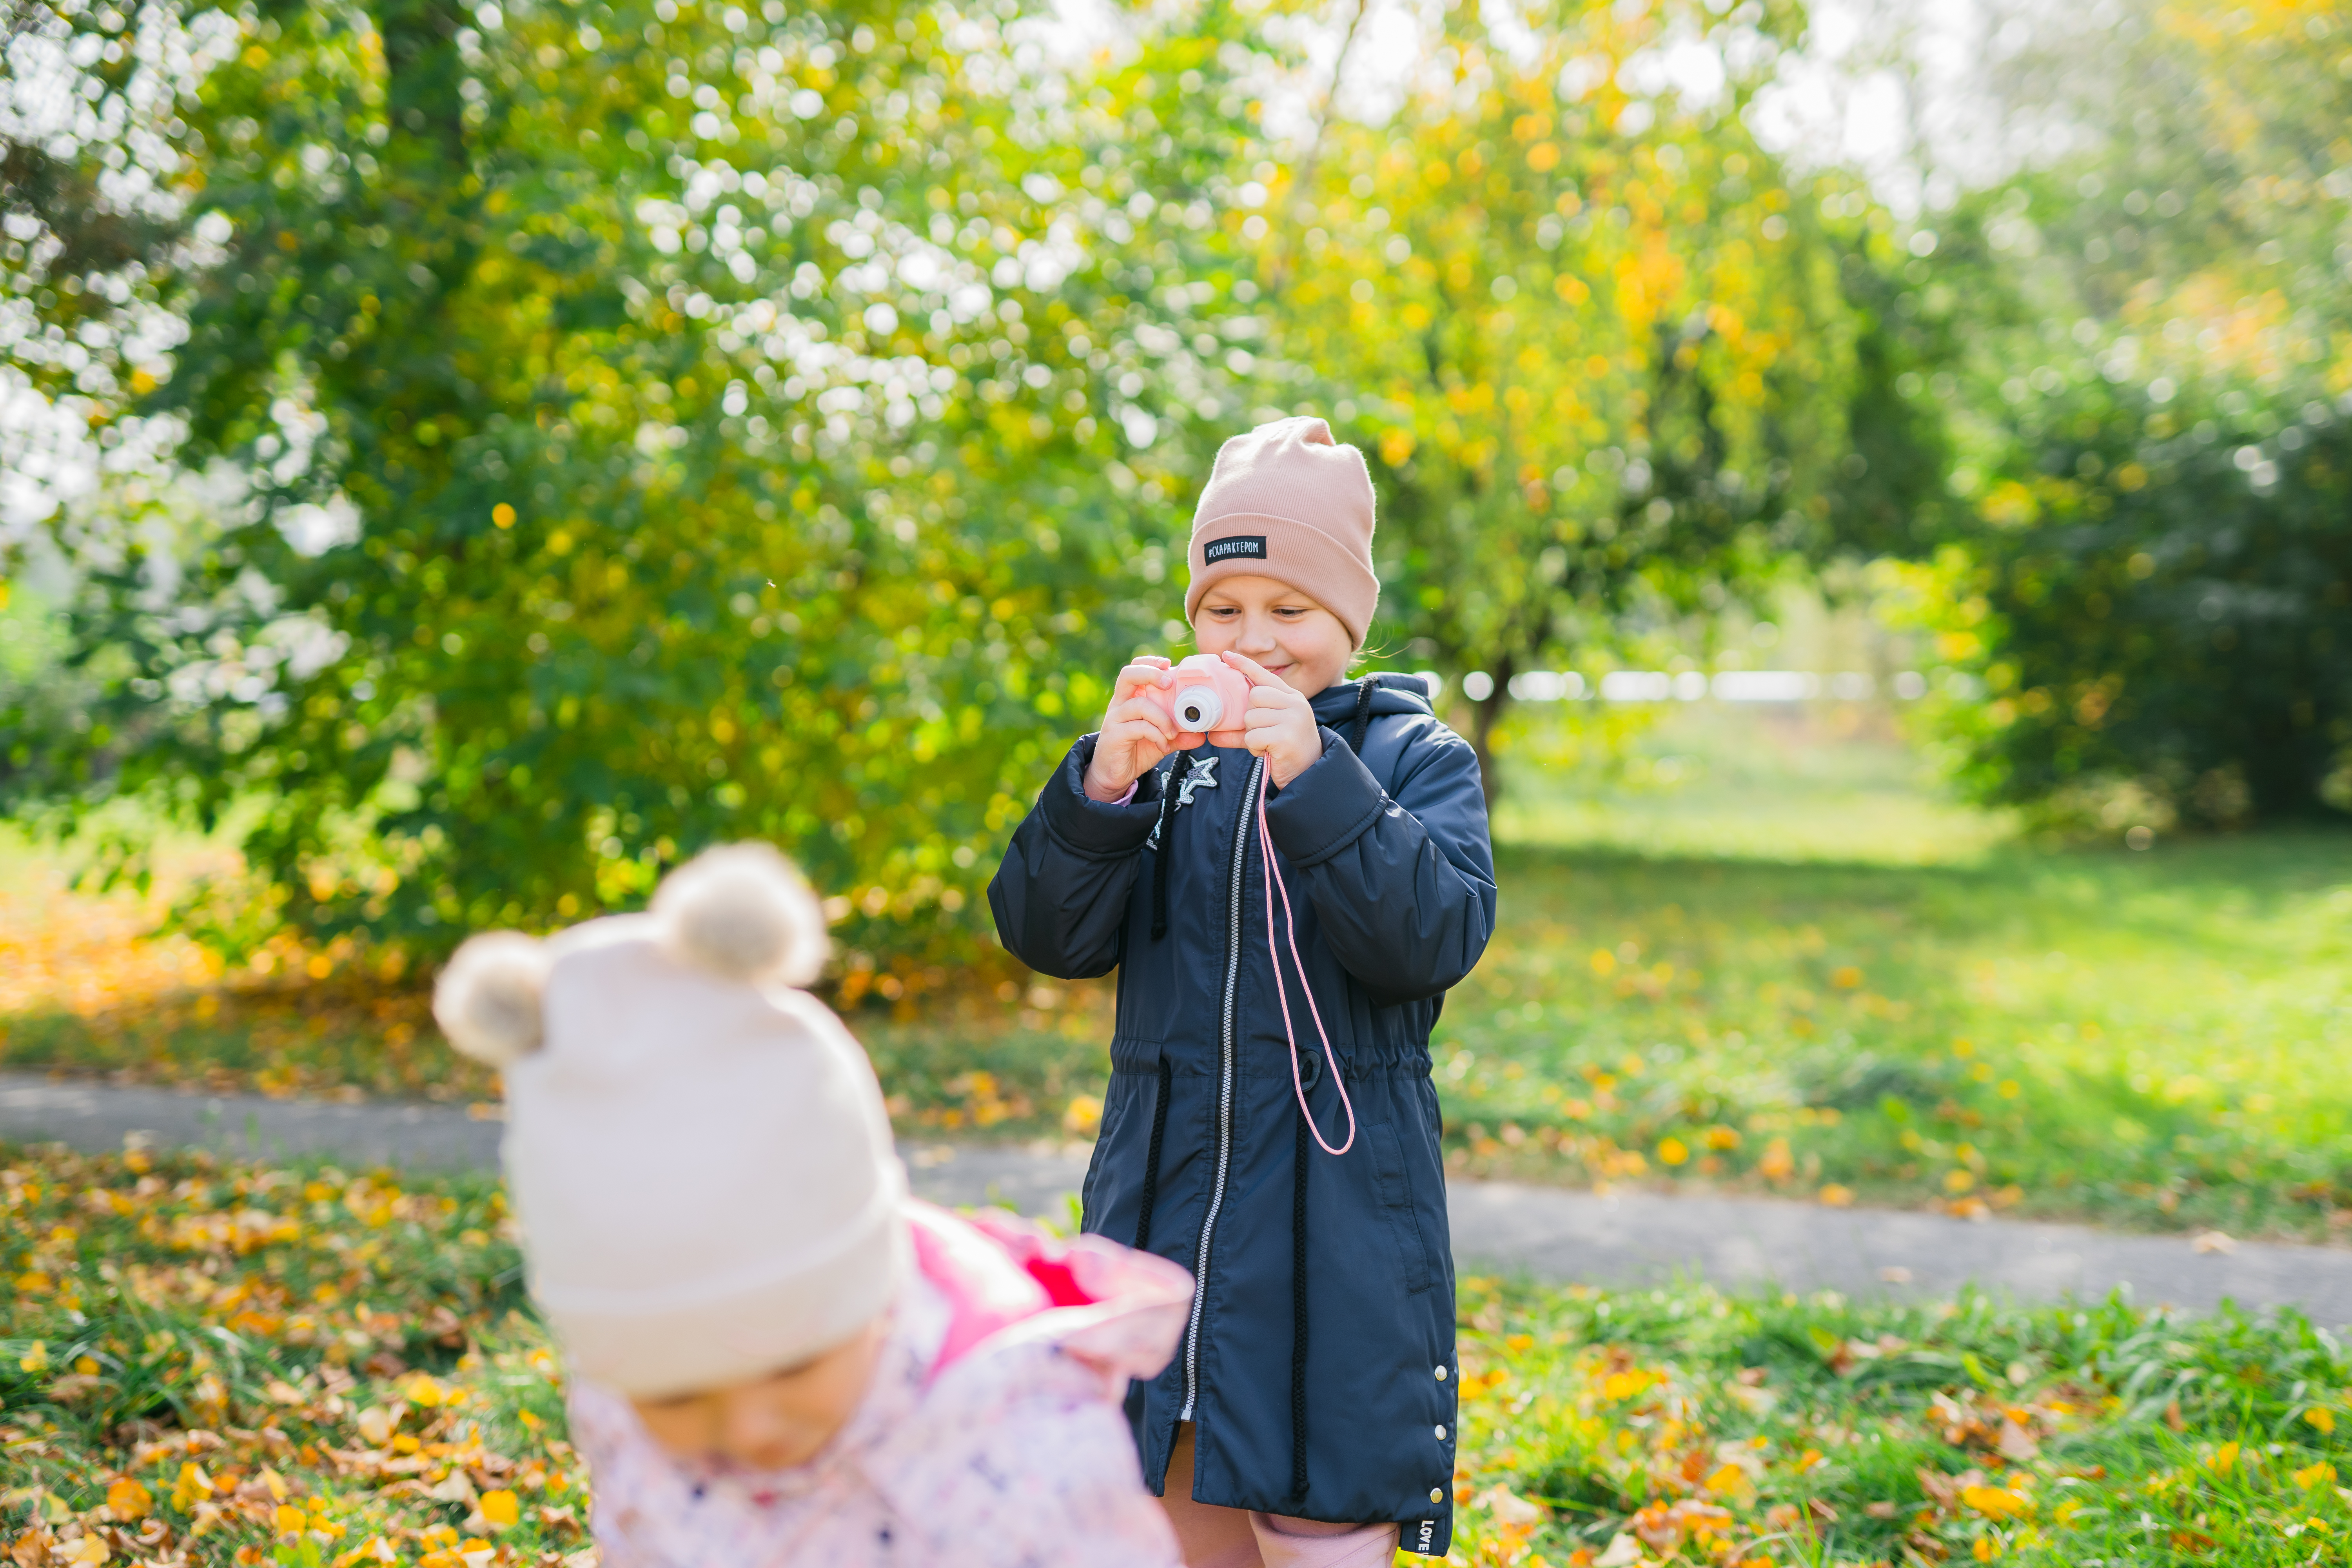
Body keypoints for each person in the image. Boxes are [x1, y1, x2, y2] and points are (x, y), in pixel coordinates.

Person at [989, 416, 1499, 1566]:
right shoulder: (1164, 767)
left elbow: (1434, 935)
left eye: (1290, 612)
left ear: (1347, 624)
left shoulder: (1411, 758)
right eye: (1225, 611)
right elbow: (1047, 936)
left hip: (1337, 1216)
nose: (1255, 642)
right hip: (1164, 1199)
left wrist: (1317, 778)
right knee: (1168, 1484)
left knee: (1320, 1491)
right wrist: (1102, 792)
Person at [432, 842, 1193, 1567]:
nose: (750, 1426)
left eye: (795, 1363)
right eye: (677, 1394)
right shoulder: (620, 1406)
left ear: (876, 1293)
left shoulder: (1022, 1453)